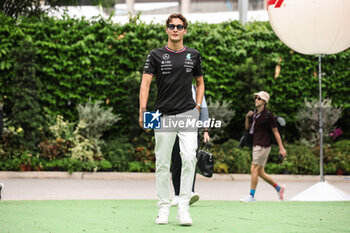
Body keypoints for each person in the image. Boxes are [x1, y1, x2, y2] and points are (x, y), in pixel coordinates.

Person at [139, 13, 205, 226]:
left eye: (179, 26)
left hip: (187, 114)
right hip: (162, 115)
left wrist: (197, 106)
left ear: (185, 30)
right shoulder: (155, 55)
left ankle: (183, 206)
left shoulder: (193, 55)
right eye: (171, 26)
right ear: (166, 30)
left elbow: (200, 82)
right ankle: (163, 208)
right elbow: (145, 83)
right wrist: (142, 110)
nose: (175, 29)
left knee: (189, 157)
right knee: (162, 163)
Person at [240, 91, 287, 202]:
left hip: (263, 145)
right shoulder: (255, 114)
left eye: (259, 98)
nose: (256, 100)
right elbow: (248, 128)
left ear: (264, 102)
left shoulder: (268, 115)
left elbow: (275, 132)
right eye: (255, 98)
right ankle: (279, 188)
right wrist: (247, 117)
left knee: (254, 168)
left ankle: (251, 196)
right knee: (260, 172)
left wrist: (281, 147)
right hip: (256, 144)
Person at [170, 84, 210, 207]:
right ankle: (177, 194)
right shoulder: (172, 86)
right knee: (177, 162)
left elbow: (203, 109)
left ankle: (189, 192)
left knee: (191, 160)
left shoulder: (197, 88)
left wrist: (206, 131)